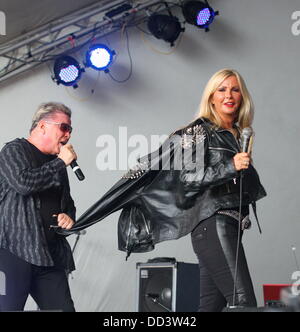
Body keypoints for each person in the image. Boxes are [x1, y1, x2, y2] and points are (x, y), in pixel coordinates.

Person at [58, 69, 266, 312]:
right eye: (221, 89)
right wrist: (230, 166)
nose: (228, 95)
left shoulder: (237, 135)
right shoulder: (199, 131)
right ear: (211, 97)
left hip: (228, 227)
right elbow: (191, 177)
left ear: (242, 96)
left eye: (235, 89)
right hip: (214, 227)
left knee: (211, 305)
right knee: (243, 302)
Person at [0, 102, 77, 312]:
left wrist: (68, 216)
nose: (68, 135)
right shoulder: (13, 151)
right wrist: (60, 163)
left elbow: (67, 203)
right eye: (64, 127)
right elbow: (24, 183)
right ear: (42, 126)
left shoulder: (57, 163)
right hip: (12, 252)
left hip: (48, 255)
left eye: (70, 129)